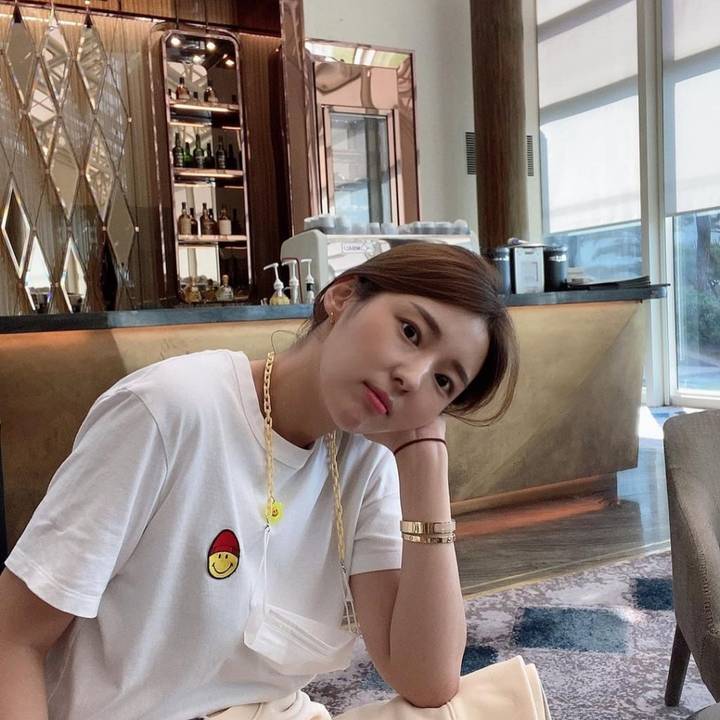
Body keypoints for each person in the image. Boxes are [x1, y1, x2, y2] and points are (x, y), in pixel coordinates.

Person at [0, 243, 550, 720]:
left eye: (444, 382)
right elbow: (14, 638)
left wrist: (425, 460)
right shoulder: (169, 411)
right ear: (342, 297)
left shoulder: (366, 462)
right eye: (410, 332)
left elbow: (426, 681)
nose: (413, 377)